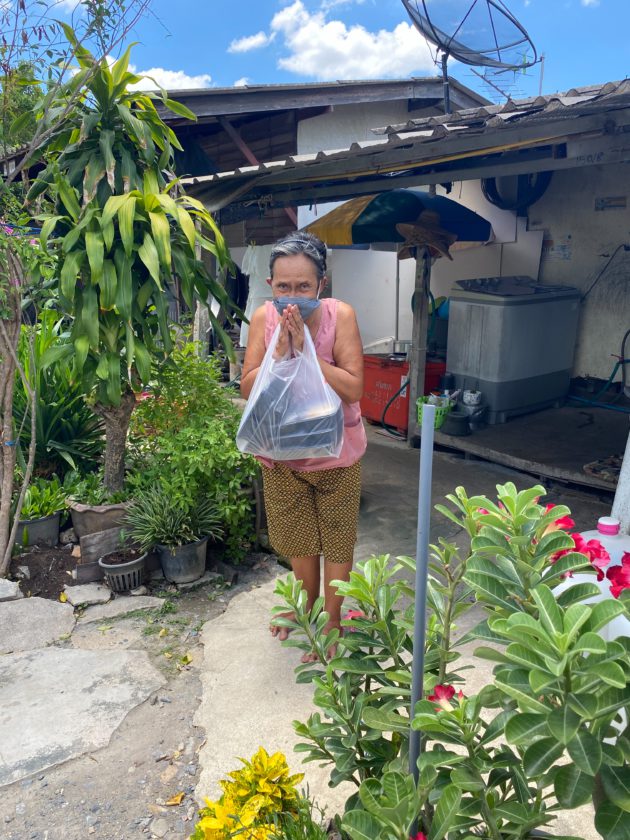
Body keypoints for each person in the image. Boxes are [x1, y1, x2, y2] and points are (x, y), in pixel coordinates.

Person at [240, 232, 367, 661]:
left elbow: (353, 389)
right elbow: (247, 389)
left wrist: (309, 352)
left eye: (303, 286)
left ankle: (332, 619)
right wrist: (279, 353)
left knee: (337, 538)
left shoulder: (340, 316)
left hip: (336, 453)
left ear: (321, 285)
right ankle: (305, 607)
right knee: (297, 538)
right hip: (280, 452)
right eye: (283, 286)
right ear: (270, 285)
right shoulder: (263, 318)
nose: (292, 296)